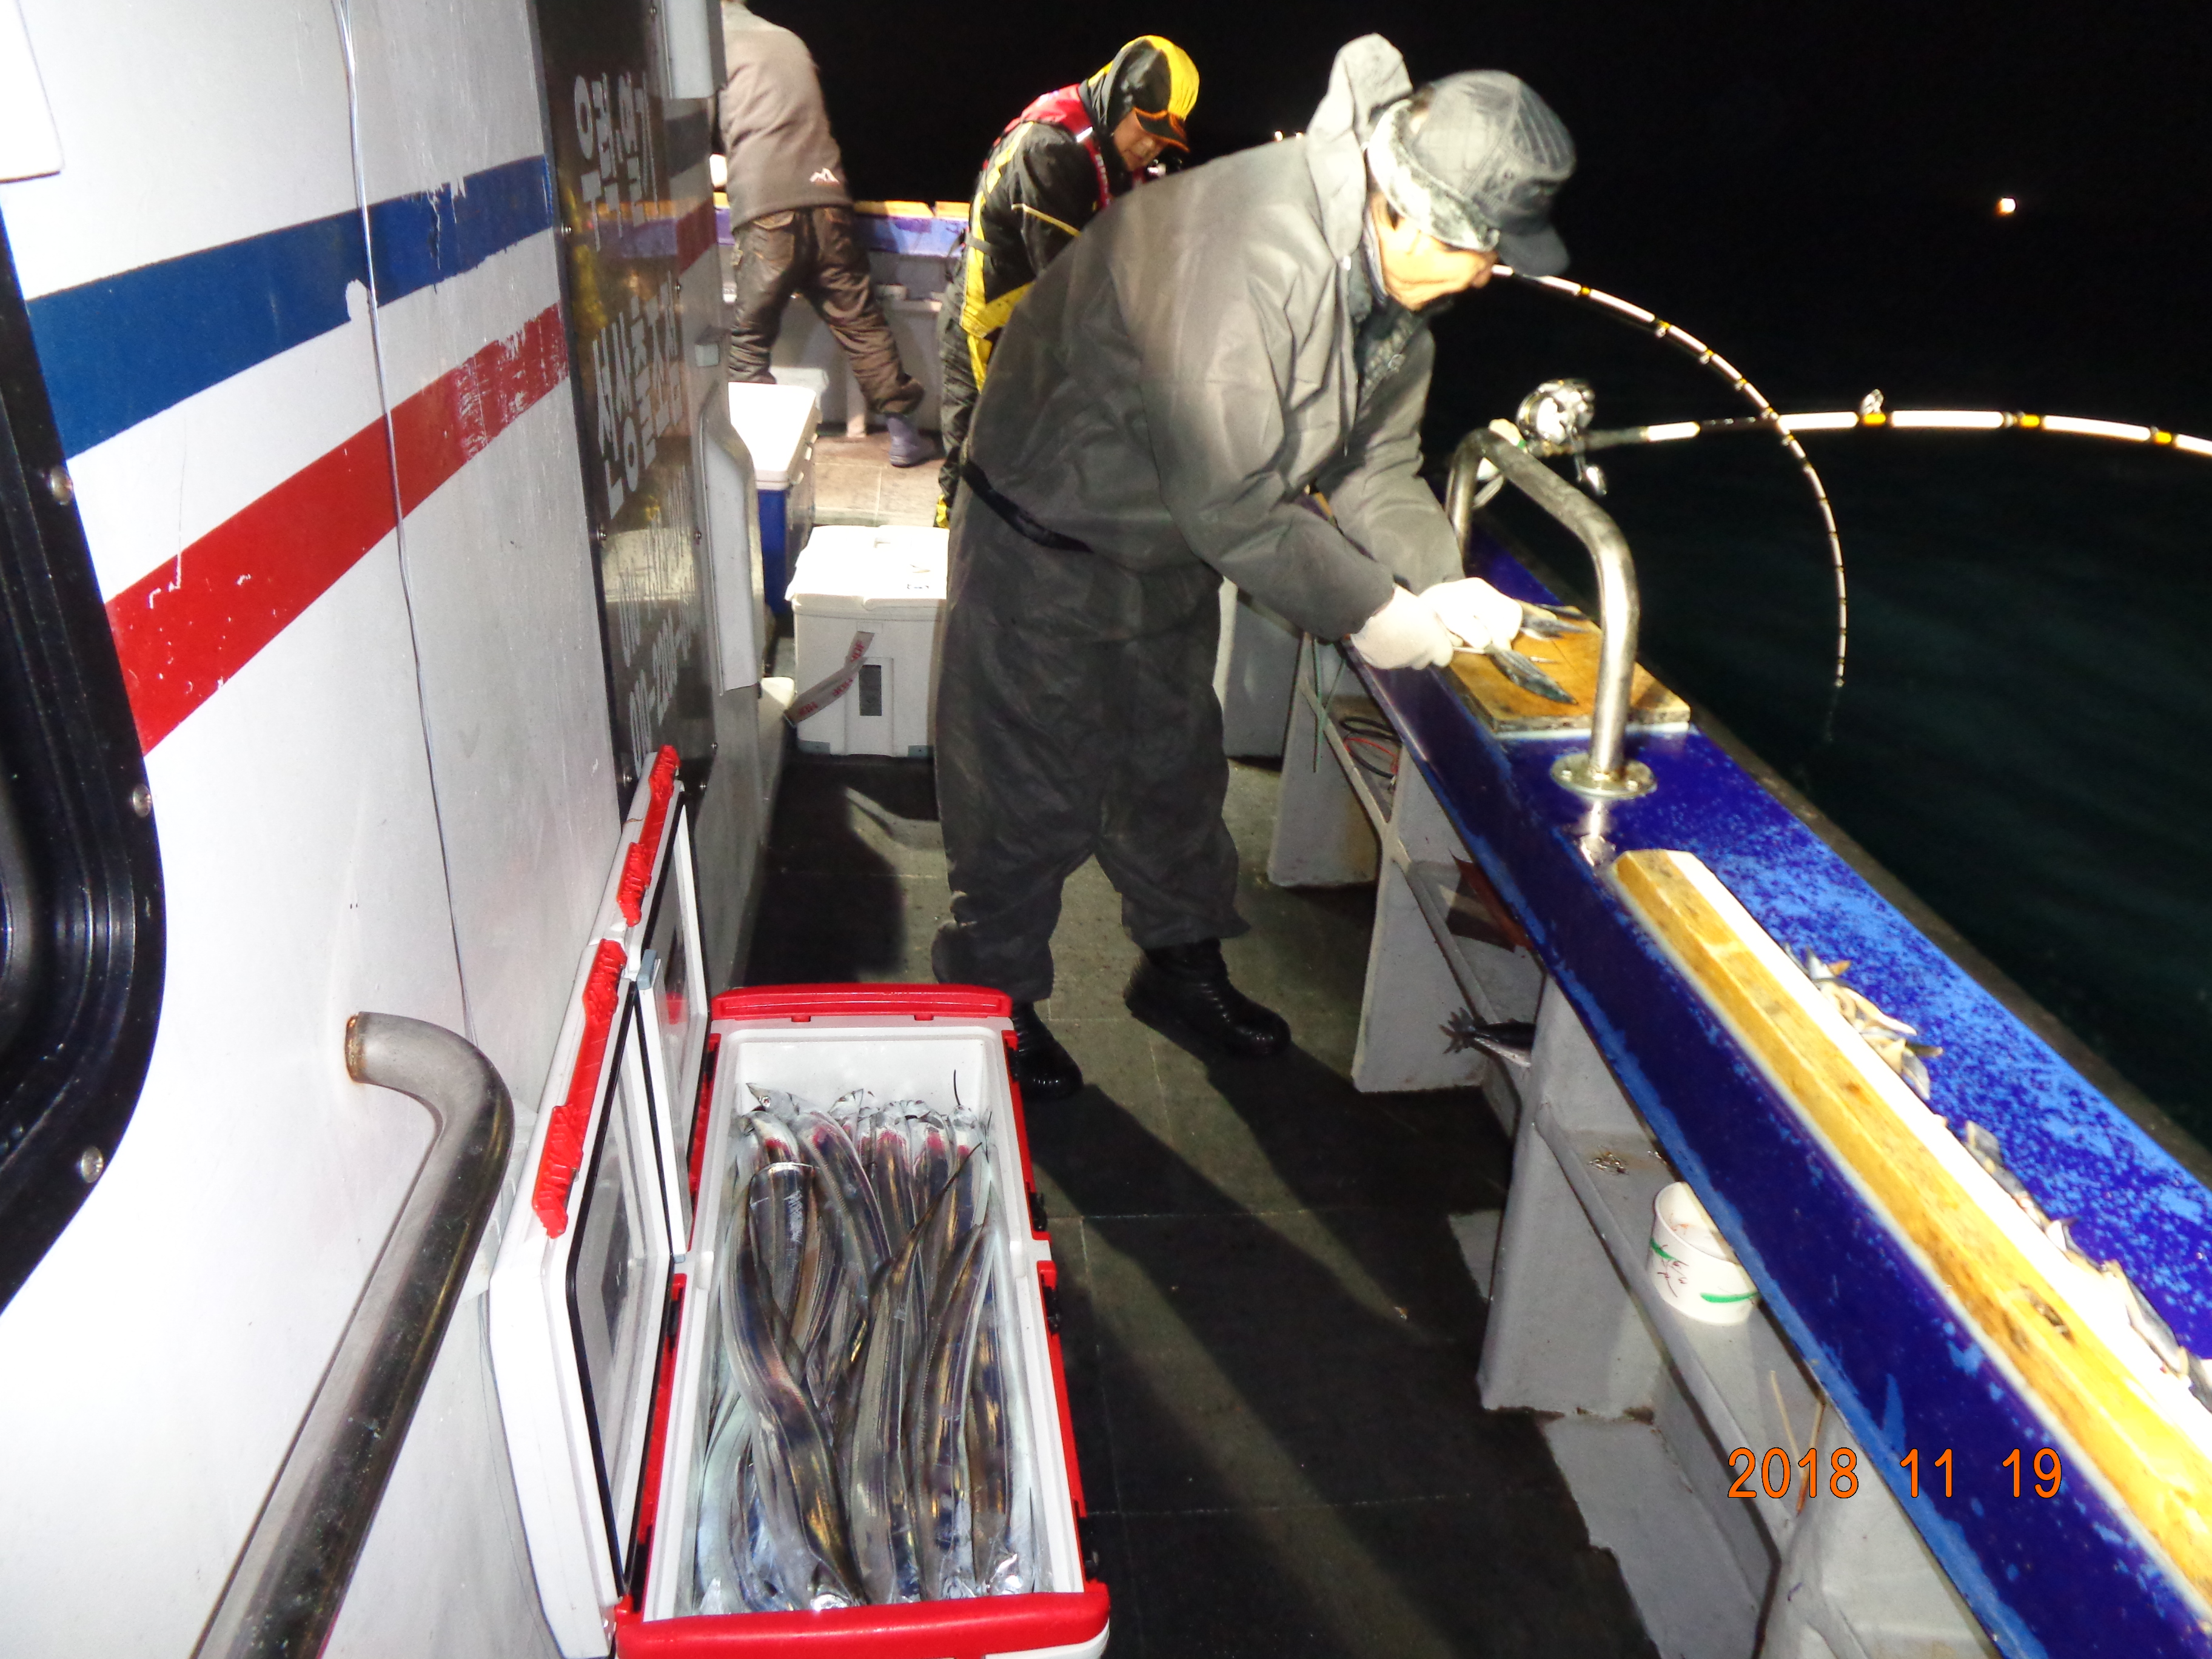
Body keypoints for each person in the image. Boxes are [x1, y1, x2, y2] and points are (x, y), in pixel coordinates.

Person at [931, 35, 1577, 1099]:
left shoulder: (1390, 296)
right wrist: (1372, 611)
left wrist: (1438, 579)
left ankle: (1179, 966)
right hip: (1046, 536)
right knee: (1022, 789)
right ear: (1410, 213)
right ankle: (990, 1002)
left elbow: (1375, 466)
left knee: (1172, 771)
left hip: (1168, 546)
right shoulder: (1246, 254)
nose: (1483, 275)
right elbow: (1232, 499)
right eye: (1480, 250)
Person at [935, 36, 1200, 521]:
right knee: (977, 474)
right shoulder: (1049, 149)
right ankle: (950, 553)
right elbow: (1072, 289)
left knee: (1023, 478)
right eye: (1146, 129)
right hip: (989, 330)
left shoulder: (1116, 155)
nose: (1151, 146)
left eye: (1164, 140)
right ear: (1118, 100)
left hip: (1034, 333)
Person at [718, 0, 937, 467]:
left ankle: (755, 454)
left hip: (767, 206)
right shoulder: (788, 38)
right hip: (829, 196)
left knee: (750, 336)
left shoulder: (709, 47)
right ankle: (904, 438)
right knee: (860, 321)